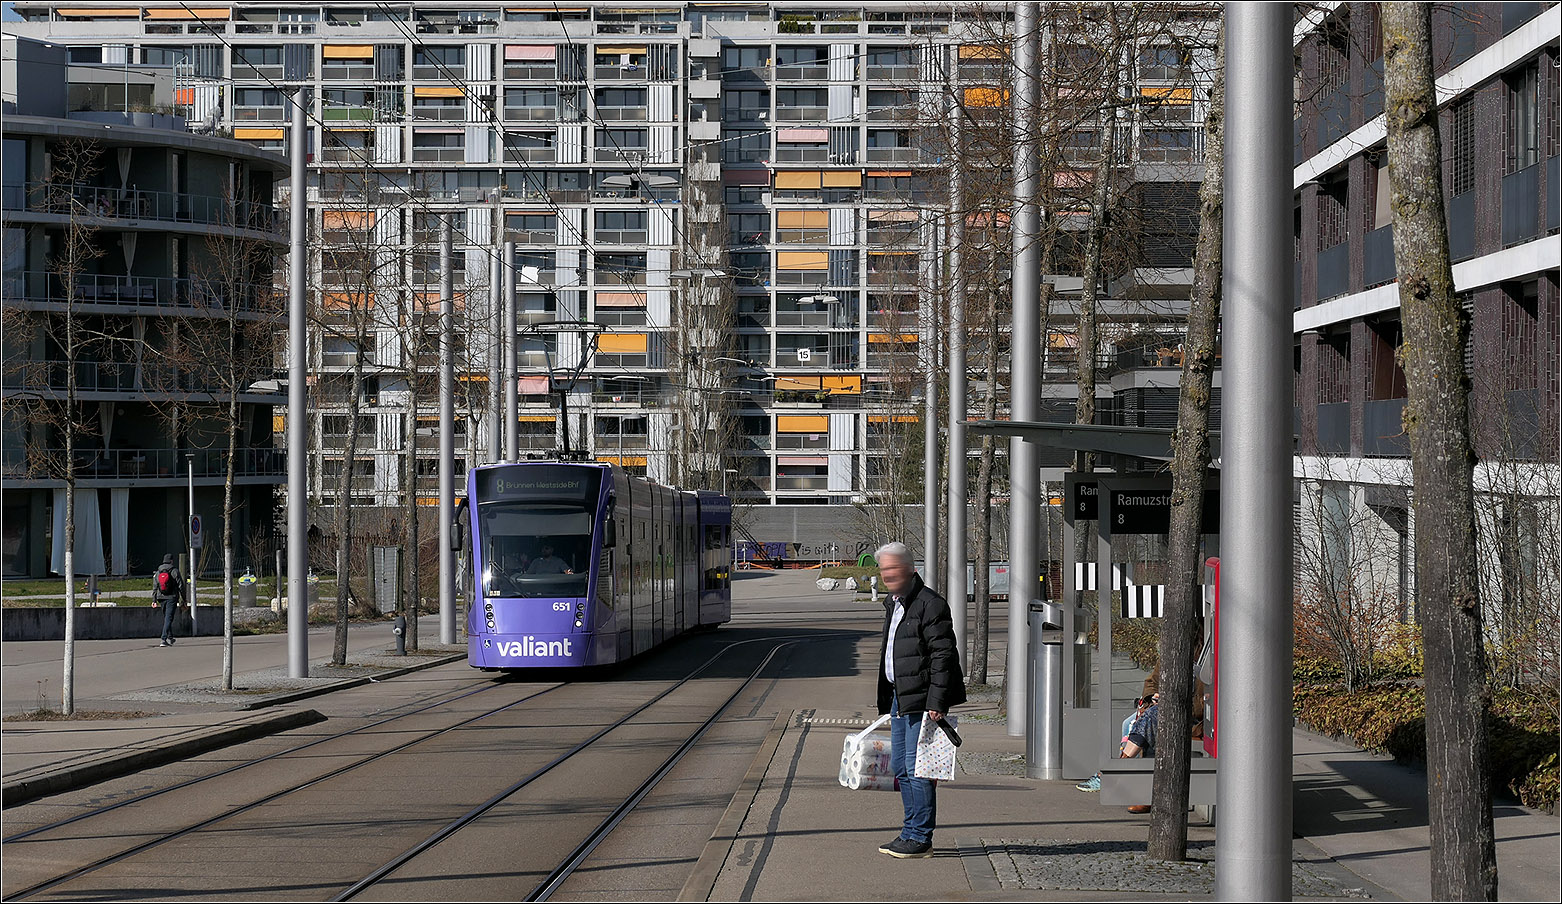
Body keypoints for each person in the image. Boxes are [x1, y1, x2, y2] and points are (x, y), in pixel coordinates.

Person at [873, 541, 965, 859]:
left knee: (918, 769)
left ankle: (920, 836)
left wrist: (938, 702)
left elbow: (944, 655)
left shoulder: (929, 604)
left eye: (892, 568)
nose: (887, 574)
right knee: (900, 768)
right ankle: (909, 831)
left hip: (923, 701)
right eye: (883, 569)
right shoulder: (894, 603)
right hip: (900, 697)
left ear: (910, 568)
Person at [152, 553, 183, 647]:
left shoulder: (158, 572)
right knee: (169, 618)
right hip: (171, 597)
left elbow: (155, 587)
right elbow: (181, 585)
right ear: (171, 561)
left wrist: (154, 600)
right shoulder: (174, 571)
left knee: (167, 617)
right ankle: (163, 639)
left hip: (161, 597)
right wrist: (183, 598)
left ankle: (170, 637)